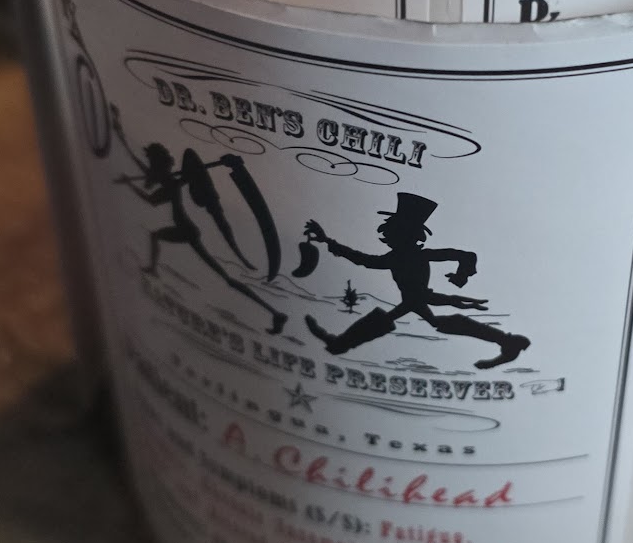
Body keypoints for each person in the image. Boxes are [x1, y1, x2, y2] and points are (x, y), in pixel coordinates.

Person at [303, 192, 529, 369]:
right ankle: (507, 342)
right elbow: (363, 260)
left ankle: (337, 344)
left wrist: (461, 276)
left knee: (393, 320)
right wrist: (327, 241)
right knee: (437, 321)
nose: (386, 235)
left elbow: (467, 256)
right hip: (417, 299)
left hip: (417, 299)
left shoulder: (408, 256)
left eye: (391, 232)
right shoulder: (400, 257)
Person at [110, 107, 286, 335]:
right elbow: (144, 169)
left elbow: (150, 200)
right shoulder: (169, 180)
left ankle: (275, 312)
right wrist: (121, 135)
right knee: (221, 275)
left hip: (186, 230)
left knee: (226, 278)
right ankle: (274, 312)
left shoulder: (171, 185)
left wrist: (130, 183)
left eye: (152, 161)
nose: (149, 165)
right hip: (185, 229)